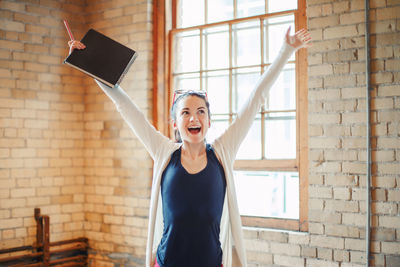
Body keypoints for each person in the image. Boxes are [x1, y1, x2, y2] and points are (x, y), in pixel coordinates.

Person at [68, 27, 311, 267]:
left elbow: (256, 98)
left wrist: (286, 50)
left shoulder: (222, 151)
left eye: (200, 112)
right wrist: (88, 61)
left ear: (209, 121)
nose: (194, 118)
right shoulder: (164, 151)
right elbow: (126, 107)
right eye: (186, 113)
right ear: (175, 123)